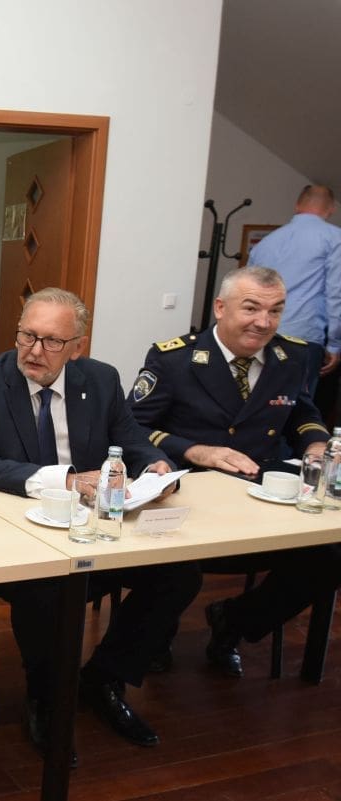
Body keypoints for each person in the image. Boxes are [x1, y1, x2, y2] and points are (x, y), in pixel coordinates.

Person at [0, 287, 200, 759]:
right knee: (47, 588)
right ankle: (46, 696)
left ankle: (104, 678)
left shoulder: (100, 379)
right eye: (27, 336)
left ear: (78, 347)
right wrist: (66, 479)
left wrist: (156, 466)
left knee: (179, 572)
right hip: (15, 531)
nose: (34, 350)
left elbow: (131, 439)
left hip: (94, 528)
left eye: (52, 341)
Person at [128, 266, 341, 678]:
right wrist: (196, 450)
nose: (264, 322)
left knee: (330, 555)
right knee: (174, 569)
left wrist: (317, 444)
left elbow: (302, 414)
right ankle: (153, 637)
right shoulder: (175, 358)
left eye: (275, 311)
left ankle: (235, 622)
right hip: (189, 498)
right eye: (251, 308)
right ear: (220, 308)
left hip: (262, 497)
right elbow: (132, 426)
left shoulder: (292, 356)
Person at [247, 185, 341, 395]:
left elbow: (247, 290)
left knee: (257, 399)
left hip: (259, 332)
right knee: (295, 405)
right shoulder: (335, 238)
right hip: (302, 336)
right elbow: (336, 293)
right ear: (331, 209)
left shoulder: (266, 243)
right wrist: (335, 344)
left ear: (297, 205)